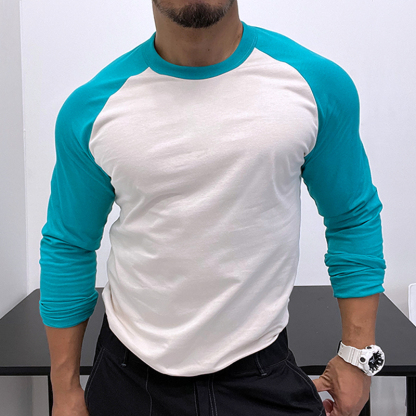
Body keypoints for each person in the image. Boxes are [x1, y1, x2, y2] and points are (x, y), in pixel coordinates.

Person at [39, 1, 387, 415]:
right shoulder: (92, 109)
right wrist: (65, 390)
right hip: (129, 378)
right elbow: (69, 246)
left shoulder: (315, 85)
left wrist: (358, 358)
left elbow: (351, 218)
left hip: (262, 372)